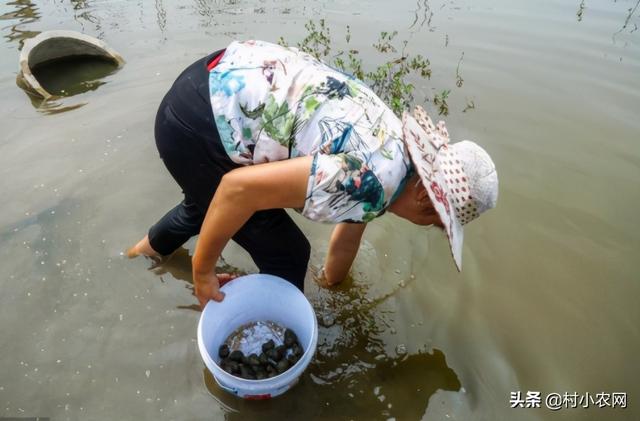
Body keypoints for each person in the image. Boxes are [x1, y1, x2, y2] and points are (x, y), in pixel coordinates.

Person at [127, 40, 499, 308]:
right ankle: (272, 369)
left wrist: (332, 291)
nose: (426, 225)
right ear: (424, 198)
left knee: (204, 208)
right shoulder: (373, 184)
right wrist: (204, 272)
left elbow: (347, 240)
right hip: (200, 125)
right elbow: (236, 190)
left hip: (210, 85)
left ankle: (136, 259)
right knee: (288, 254)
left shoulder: (395, 154)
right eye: (436, 222)